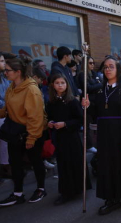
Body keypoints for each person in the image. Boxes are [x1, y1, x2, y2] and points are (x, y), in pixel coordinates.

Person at [82, 56, 121, 215]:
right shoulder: (99, 91)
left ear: (118, 69)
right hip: (105, 135)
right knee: (107, 166)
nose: (107, 69)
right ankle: (110, 197)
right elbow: (95, 114)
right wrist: (87, 107)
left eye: (111, 66)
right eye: (105, 67)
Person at [0, 55, 47, 206]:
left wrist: (31, 138)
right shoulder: (12, 87)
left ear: (18, 72)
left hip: (30, 132)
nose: (5, 73)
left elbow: (36, 116)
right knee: (15, 163)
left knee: (35, 160)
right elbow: (9, 106)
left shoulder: (31, 90)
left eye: (8, 70)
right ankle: (17, 193)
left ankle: (41, 189)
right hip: (15, 131)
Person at [46, 73, 90, 204]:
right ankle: (66, 191)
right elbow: (49, 117)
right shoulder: (51, 102)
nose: (60, 85)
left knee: (74, 163)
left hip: (72, 137)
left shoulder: (72, 101)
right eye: (57, 83)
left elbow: (81, 119)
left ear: (67, 85)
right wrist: (50, 122)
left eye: (62, 83)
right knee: (63, 165)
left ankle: (77, 189)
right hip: (59, 138)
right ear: (53, 85)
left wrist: (65, 124)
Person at [78, 55, 101, 153]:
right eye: (90, 63)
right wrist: (98, 84)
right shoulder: (82, 74)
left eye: (93, 63)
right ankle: (88, 145)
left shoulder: (94, 73)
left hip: (96, 102)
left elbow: (99, 82)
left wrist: (96, 84)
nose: (92, 65)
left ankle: (97, 144)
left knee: (96, 125)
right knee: (87, 125)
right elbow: (87, 87)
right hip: (87, 103)